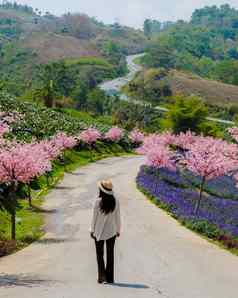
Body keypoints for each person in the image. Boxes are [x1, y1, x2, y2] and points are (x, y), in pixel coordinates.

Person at [90, 179, 121, 284]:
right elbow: (118, 217)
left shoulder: (97, 202)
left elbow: (94, 218)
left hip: (99, 232)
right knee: (110, 254)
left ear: (101, 190)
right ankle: (110, 278)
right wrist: (118, 230)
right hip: (112, 231)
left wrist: (92, 230)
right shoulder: (115, 201)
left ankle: (101, 277)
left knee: (99, 254)